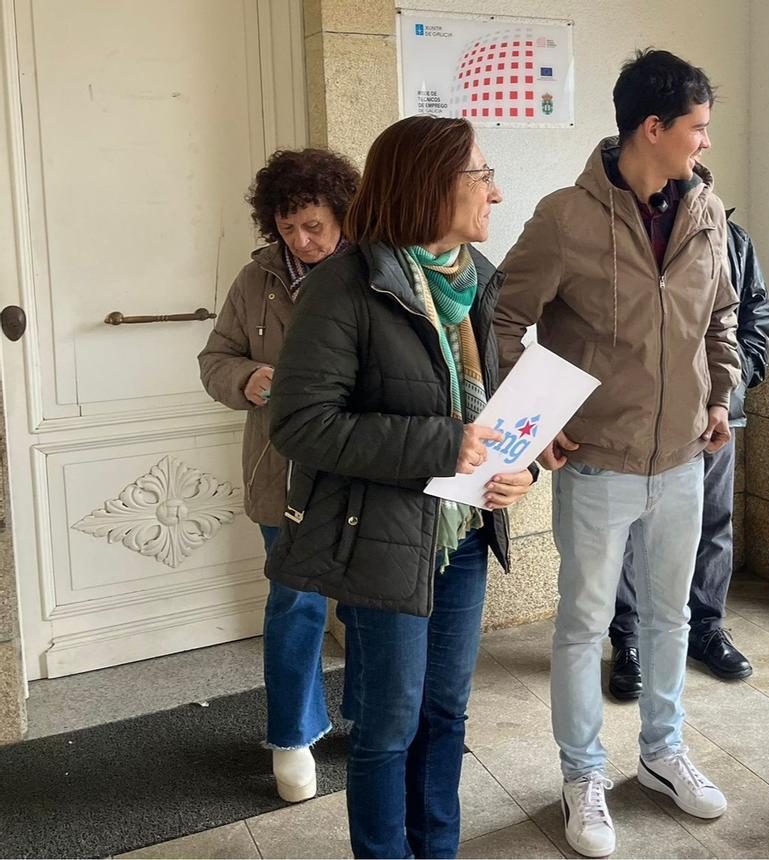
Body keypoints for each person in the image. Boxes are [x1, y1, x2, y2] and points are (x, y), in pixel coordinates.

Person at [264, 116, 535, 859]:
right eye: (482, 176)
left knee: (447, 714)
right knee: (389, 726)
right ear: (431, 183)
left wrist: (521, 466)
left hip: (465, 535)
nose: (497, 192)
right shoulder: (345, 287)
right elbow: (300, 424)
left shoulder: (475, 276)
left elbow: (499, 405)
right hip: (380, 540)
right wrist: (444, 447)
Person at [495, 49, 740, 858]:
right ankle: (583, 774)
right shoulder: (565, 217)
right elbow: (497, 322)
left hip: (681, 459)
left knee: (672, 617)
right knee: (584, 624)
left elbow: (723, 317)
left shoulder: (707, 210)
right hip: (597, 460)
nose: (706, 143)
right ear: (653, 128)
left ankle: (664, 756)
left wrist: (719, 396)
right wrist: (535, 423)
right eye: (697, 129)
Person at [198, 147, 359, 803]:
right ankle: (292, 737)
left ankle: (372, 719)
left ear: (342, 215)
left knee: (372, 602)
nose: (302, 240)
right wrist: (247, 378)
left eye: (315, 225)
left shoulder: (375, 270)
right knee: (294, 604)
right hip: (281, 472)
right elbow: (215, 360)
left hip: (361, 469)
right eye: (289, 227)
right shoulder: (254, 280)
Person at [608, 211, 769, 697]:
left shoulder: (731, 237)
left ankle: (707, 627)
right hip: (642, 418)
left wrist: (735, 382)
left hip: (716, 416)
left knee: (714, 521)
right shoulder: (628, 236)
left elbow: (755, 314)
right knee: (633, 528)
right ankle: (628, 638)